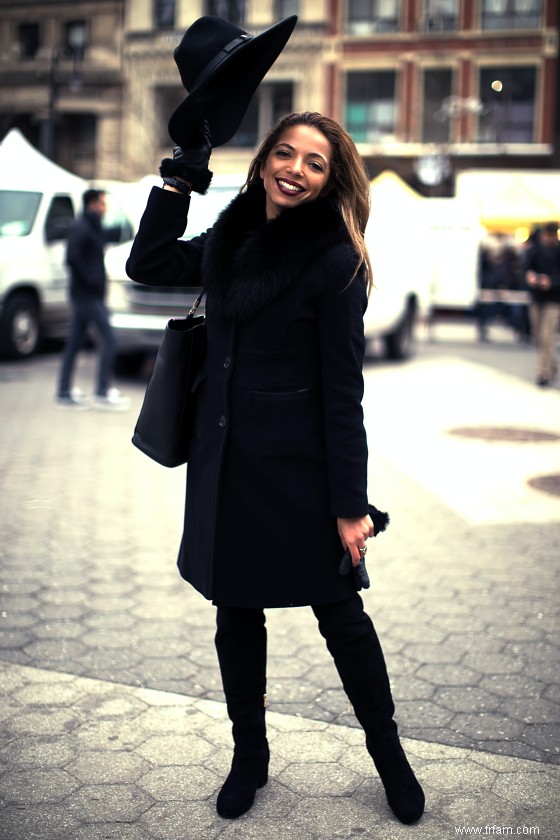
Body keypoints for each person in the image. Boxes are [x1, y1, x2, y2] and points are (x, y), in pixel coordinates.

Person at [126, 110, 425, 825]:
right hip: (227, 463)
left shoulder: (334, 259)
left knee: (342, 617)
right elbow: (149, 264)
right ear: (262, 161)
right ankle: (249, 756)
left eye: (314, 163)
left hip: (301, 473)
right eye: (284, 153)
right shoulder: (232, 236)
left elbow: (342, 391)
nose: (295, 168)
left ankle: (390, 758)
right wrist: (180, 173)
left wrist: (349, 504)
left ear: (329, 182)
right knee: (236, 615)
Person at [56, 188, 129, 409]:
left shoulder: (92, 227)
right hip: (86, 296)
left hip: (87, 295)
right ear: (92, 204)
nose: (105, 208)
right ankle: (102, 391)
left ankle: (64, 392)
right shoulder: (82, 228)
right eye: (102, 203)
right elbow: (72, 259)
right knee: (110, 339)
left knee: (75, 342)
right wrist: (92, 282)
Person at [523, 221, 560, 386]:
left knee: (547, 336)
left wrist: (550, 281)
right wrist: (530, 277)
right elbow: (524, 269)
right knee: (538, 336)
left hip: (554, 299)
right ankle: (552, 365)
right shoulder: (535, 250)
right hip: (536, 298)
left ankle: (543, 374)